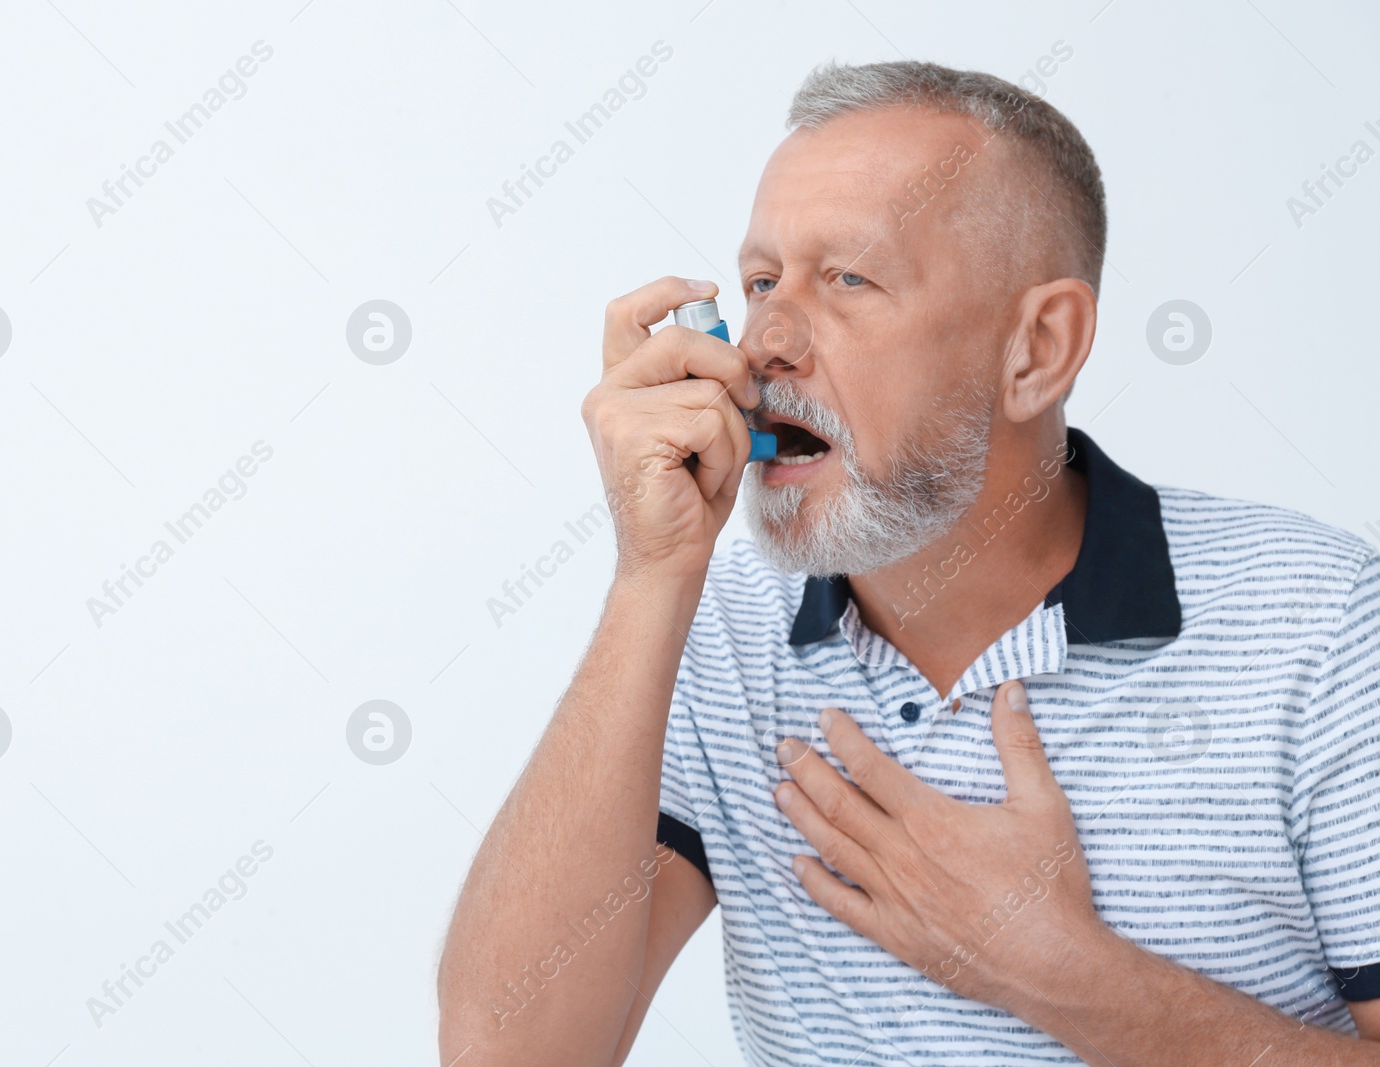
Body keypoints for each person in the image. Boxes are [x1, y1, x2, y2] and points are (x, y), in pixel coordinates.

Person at [437, 59, 1380, 1065]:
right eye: (761, 282)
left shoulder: (1318, 621)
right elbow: (510, 1053)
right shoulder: (717, 628)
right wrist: (652, 571)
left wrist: (1070, 976)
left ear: (1037, 350)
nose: (765, 346)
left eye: (848, 279)